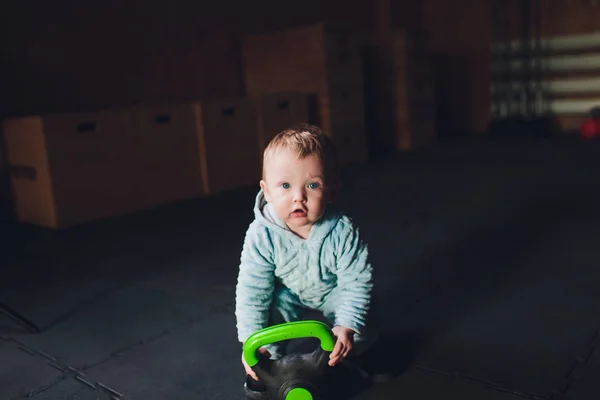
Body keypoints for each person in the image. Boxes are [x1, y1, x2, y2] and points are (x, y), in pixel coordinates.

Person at [234, 123, 377, 393]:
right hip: (287, 293)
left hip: (331, 290)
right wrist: (251, 340)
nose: (298, 197)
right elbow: (252, 289)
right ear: (266, 191)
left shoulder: (342, 230)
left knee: (361, 323)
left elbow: (356, 281)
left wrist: (347, 326)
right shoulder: (261, 234)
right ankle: (264, 368)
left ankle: (356, 356)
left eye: (312, 185)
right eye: (285, 185)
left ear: (332, 191)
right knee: (266, 326)